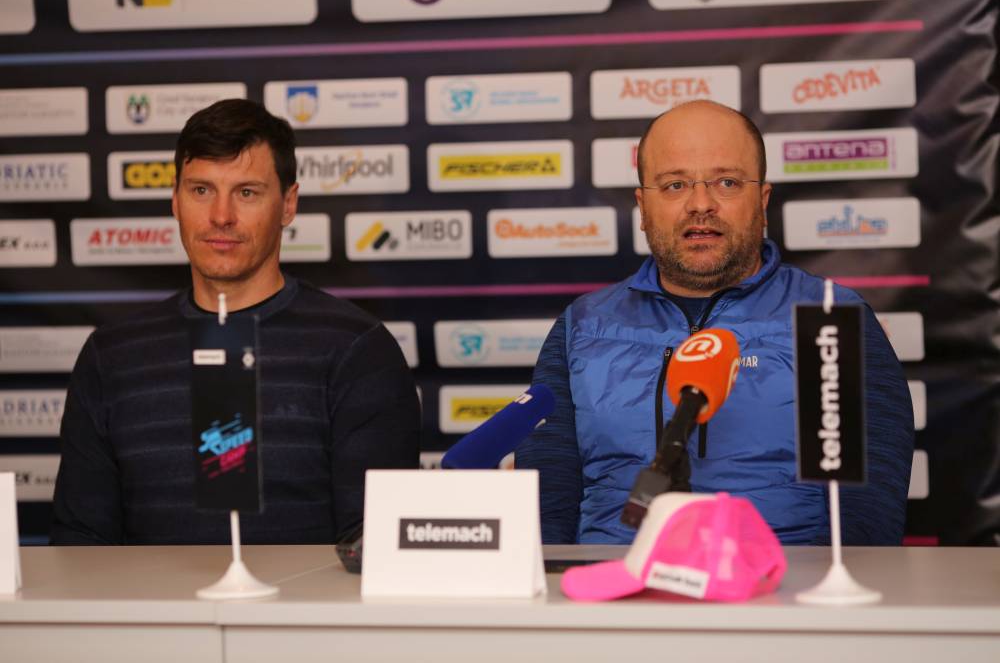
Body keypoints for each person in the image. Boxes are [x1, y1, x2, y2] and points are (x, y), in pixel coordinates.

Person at [516, 100, 914, 546]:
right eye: (675, 185)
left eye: (727, 182)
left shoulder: (831, 317)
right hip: (613, 584)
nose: (701, 204)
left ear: (762, 201)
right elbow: (546, 517)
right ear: (643, 207)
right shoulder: (581, 327)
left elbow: (868, 528)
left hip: (783, 585)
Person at [51, 99, 421, 545]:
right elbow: (80, 546)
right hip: (148, 596)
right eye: (201, 190)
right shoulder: (111, 355)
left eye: (246, 192)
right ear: (175, 200)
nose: (221, 216)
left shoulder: (358, 350)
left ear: (288, 204)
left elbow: (375, 547)